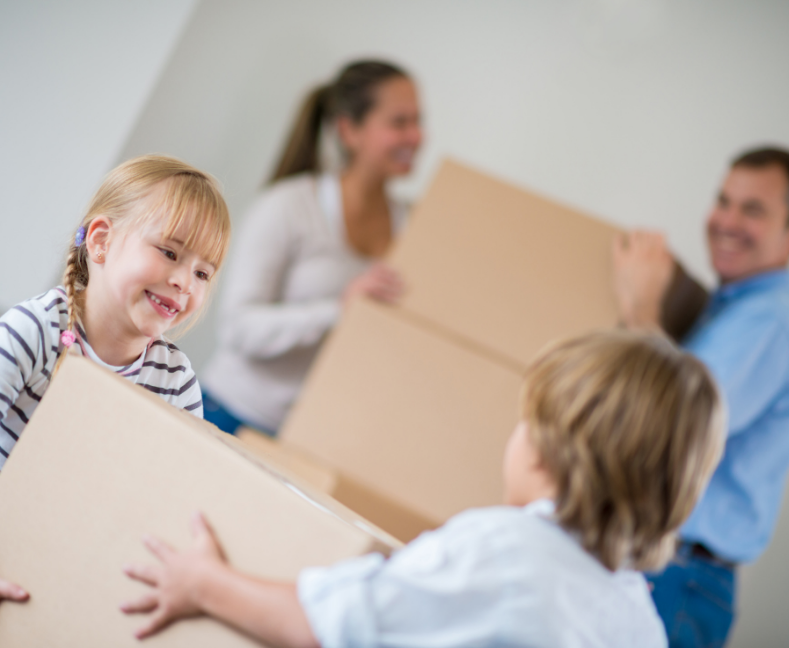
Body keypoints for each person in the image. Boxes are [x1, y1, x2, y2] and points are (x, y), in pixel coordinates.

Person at [121, 330, 724, 648]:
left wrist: (204, 584)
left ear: (551, 449)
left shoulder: (507, 551)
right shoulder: (639, 619)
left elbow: (326, 623)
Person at [0, 154, 231, 606]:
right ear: (102, 241)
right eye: (170, 252)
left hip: (72, 562)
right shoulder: (34, 331)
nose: (185, 281)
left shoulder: (176, 380)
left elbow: (174, 496)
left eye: (203, 272)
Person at [612, 146, 789, 647]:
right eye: (724, 201)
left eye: (753, 210)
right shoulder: (732, 310)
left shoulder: (772, 321)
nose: (727, 221)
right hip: (663, 564)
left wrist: (641, 312)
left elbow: (680, 426)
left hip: (678, 575)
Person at [201, 59, 422, 436]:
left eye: (418, 122)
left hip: (307, 440)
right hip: (230, 416)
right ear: (349, 131)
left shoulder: (414, 225)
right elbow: (237, 327)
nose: (416, 137)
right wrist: (338, 311)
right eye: (399, 123)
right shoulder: (287, 207)